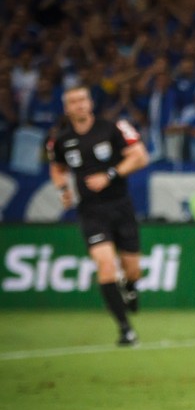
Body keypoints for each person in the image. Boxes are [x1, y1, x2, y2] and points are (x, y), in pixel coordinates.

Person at [47, 85, 150, 346]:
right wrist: (63, 189)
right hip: (92, 211)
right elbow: (57, 168)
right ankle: (125, 329)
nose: (79, 105)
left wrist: (110, 175)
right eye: (73, 101)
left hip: (121, 206)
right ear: (67, 108)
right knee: (105, 266)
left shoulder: (113, 128)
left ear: (90, 103)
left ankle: (131, 287)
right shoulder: (60, 140)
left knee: (132, 269)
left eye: (83, 99)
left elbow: (140, 157)